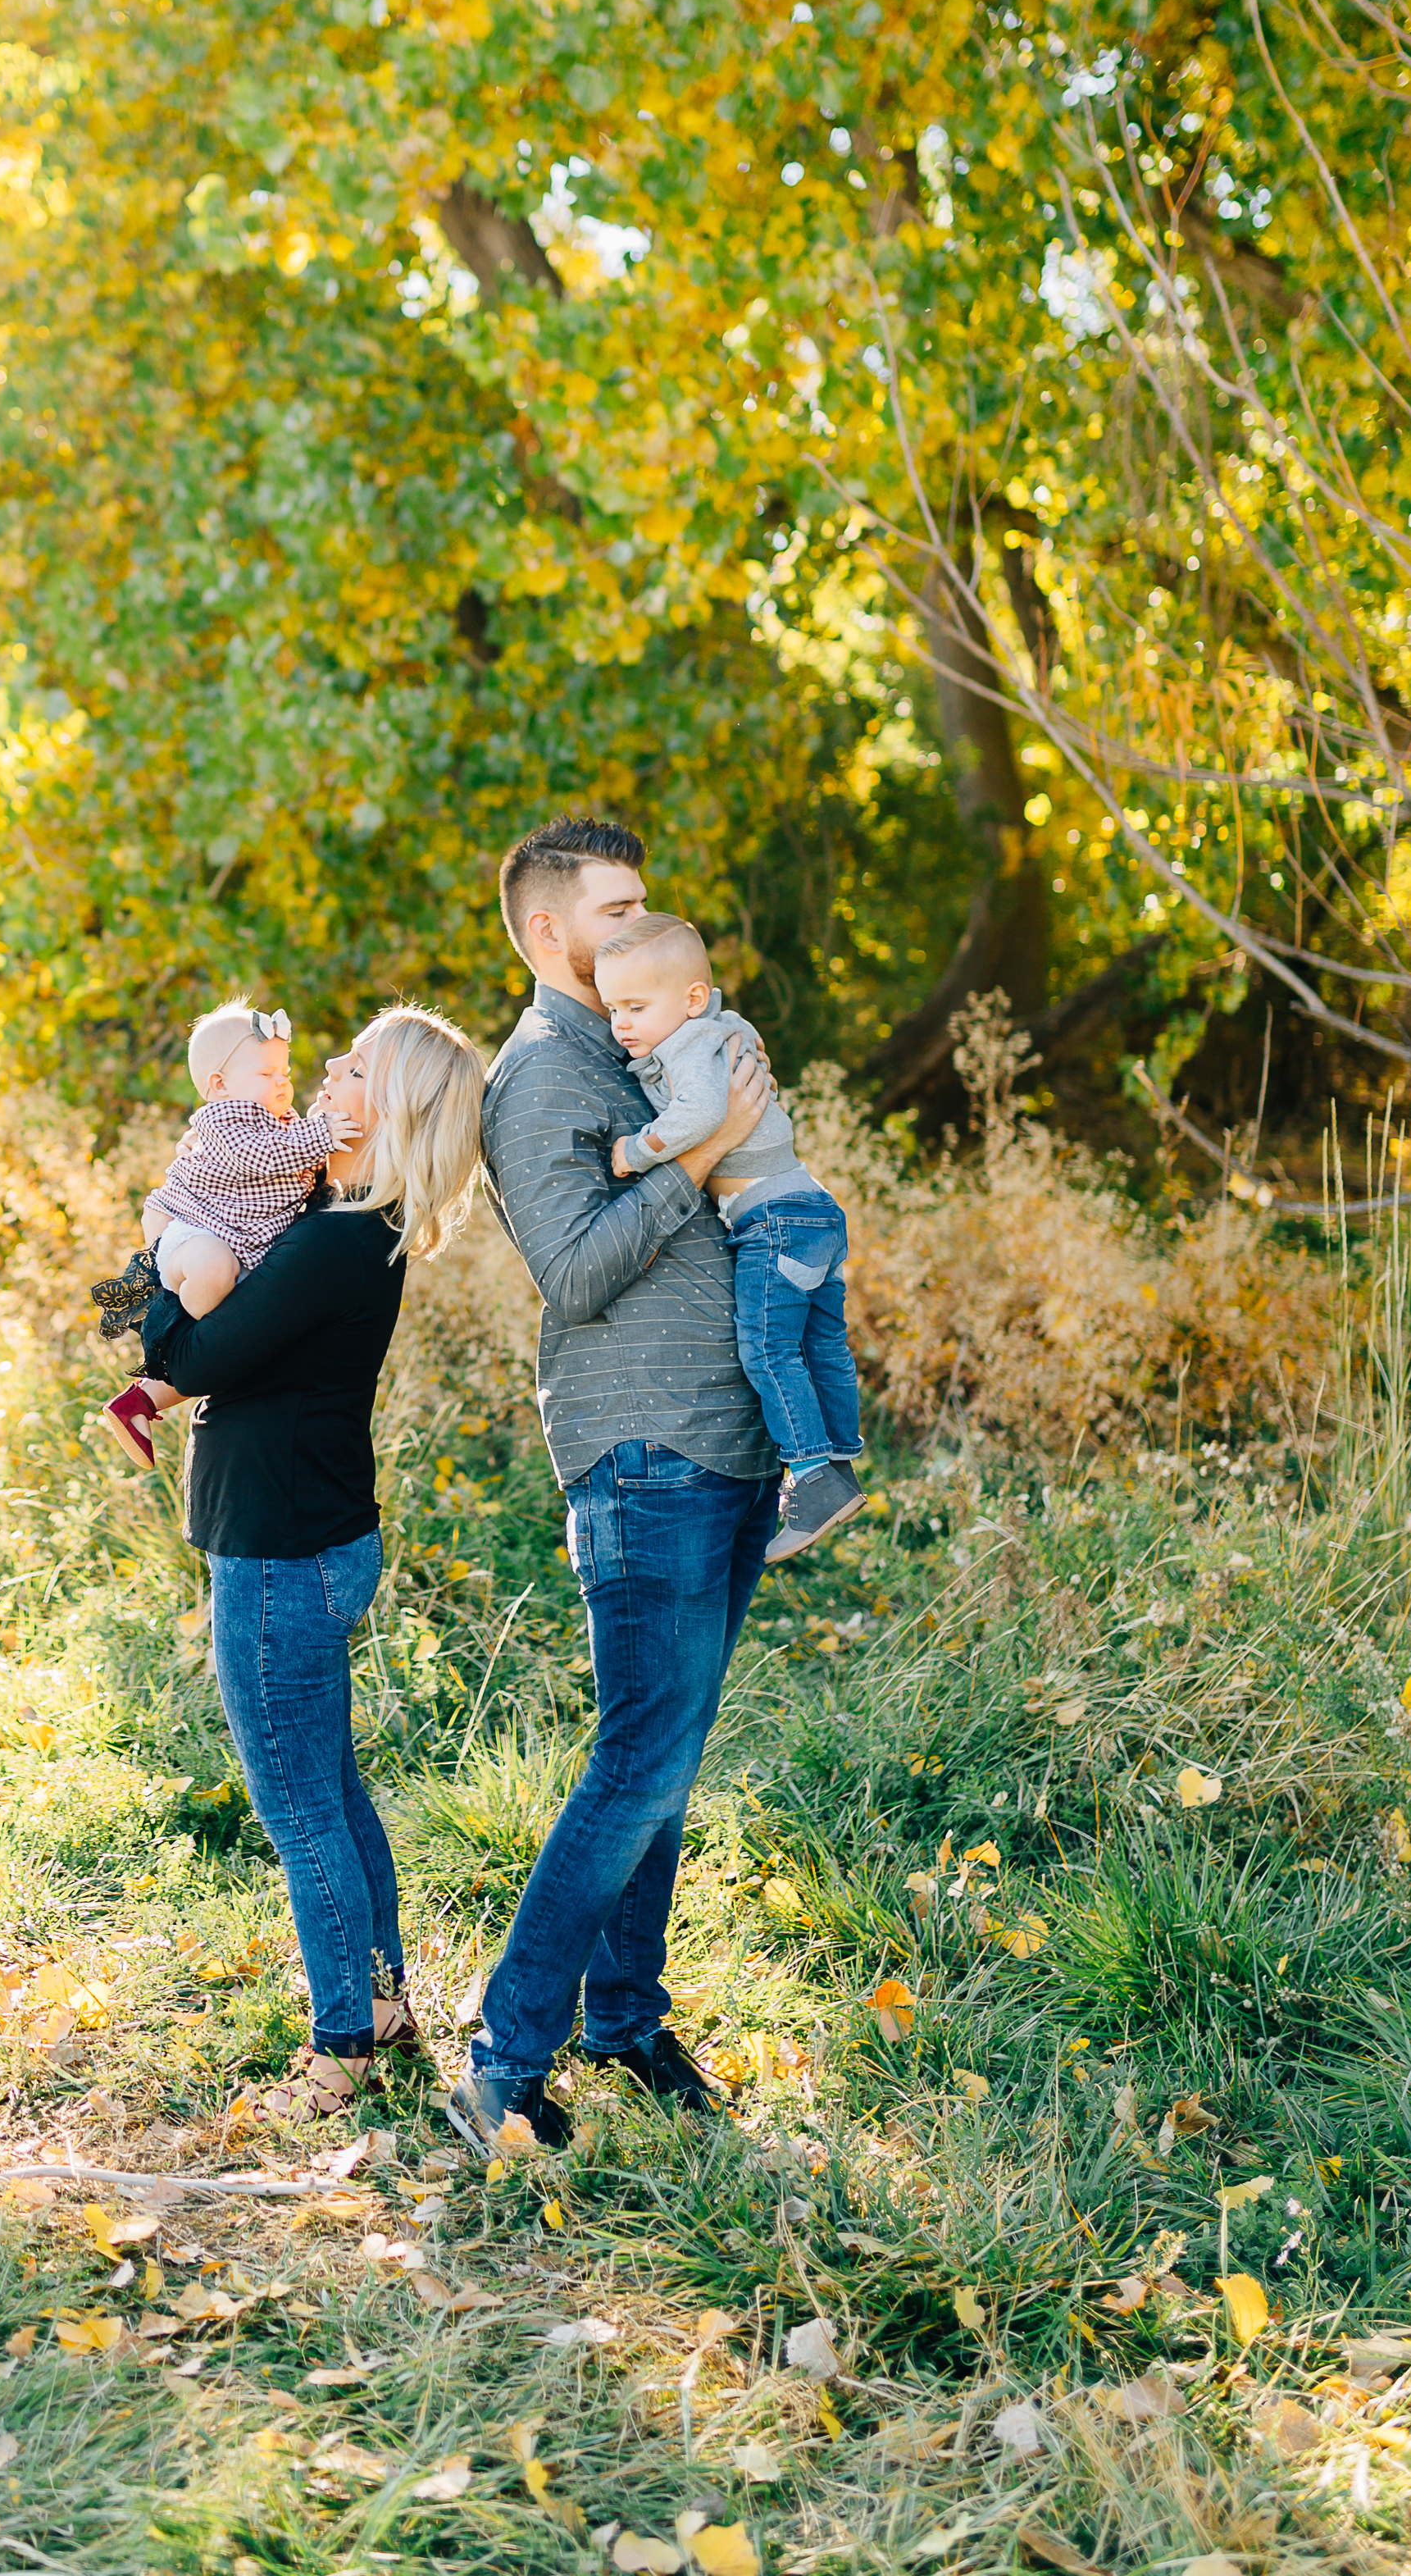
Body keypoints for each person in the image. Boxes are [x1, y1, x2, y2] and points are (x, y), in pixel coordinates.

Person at [444, 815, 780, 2158]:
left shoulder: (653, 1039)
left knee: (668, 1761)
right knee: (637, 1758)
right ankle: (501, 2058)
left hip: (726, 1441)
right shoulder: (537, 1081)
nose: (643, 921)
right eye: (615, 905)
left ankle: (624, 2023)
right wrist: (701, 1157)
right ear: (545, 933)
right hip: (644, 1454)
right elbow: (576, 1272)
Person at [134, 1003, 487, 2136]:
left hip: (282, 1547)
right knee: (329, 1790)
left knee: (297, 1808)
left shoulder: (334, 1241)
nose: (323, 1077)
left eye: (348, 1070)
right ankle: (378, 2006)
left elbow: (183, 1354)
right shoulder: (333, 1221)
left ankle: (340, 2047)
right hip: (310, 1532)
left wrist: (157, 1251)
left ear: (388, 1110)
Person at [599, 912, 864, 1562]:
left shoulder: (690, 1041)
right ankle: (839, 1463)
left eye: (636, 1006)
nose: (622, 1024)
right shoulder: (723, 1026)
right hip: (812, 1207)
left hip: (771, 1218)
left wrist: (636, 1150)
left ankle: (808, 1476)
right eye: (611, 1009)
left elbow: (702, 1114)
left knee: (767, 1350)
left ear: (691, 999)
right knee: (820, 1344)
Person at [94, 1001, 357, 1470]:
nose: (282, 1082)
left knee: (253, 1315)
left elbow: (296, 1167)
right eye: (265, 1074)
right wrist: (321, 1135)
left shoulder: (284, 1124)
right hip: (196, 1235)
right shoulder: (224, 1123)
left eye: (285, 1071)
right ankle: (198, 1334)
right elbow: (258, 1157)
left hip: (239, 1245)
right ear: (219, 1086)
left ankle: (142, 1401)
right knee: (218, 1276)